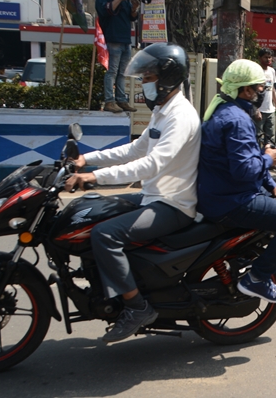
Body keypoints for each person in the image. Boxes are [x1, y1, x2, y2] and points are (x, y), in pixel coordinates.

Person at [64, 43, 201, 343]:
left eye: (148, 77)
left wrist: (94, 176)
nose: (143, 83)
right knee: (90, 209)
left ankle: (137, 307)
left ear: (167, 77)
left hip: (173, 205)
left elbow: (150, 164)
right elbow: (135, 149)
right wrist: (88, 158)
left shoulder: (181, 116)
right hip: (153, 197)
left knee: (105, 234)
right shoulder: (163, 111)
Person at [197, 59, 276, 303]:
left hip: (218, 195)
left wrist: (272, 184)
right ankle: (256, 278)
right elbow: (245, 170)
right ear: (246, 90)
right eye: (260, 90)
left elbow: (247, 159)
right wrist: (270, 159)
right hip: (231, 202)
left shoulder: (224, 110)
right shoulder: (237, 121)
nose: (261, 94)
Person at [95, 0, 139, 113]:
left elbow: (132, 18)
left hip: (126, 40)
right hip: (112, 38)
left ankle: (121, 100)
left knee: (122, 72)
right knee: (112, 71)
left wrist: (134, 7)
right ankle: (109, 101)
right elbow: (106, 10)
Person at [257, 49, 276, 147]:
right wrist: (256, 109)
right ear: (260, 58)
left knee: (270, 138)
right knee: (258, 137)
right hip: (259, 111)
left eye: (269, 57)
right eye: (265, 57)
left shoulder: (272, 71)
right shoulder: (257, 71)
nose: (268, 59)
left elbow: (272, 89)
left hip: (270, 110)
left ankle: (268, 158)